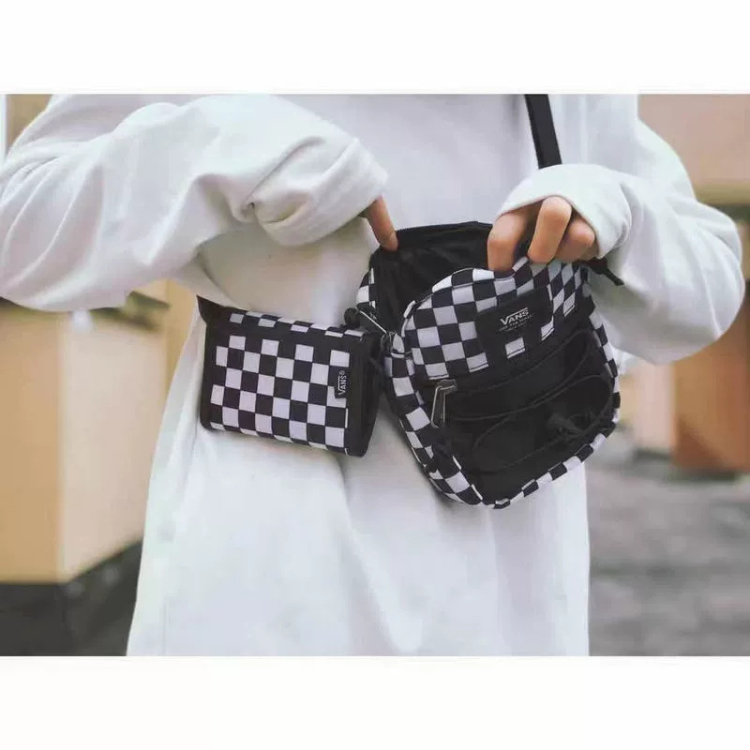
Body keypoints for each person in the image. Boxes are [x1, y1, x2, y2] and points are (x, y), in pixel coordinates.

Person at [0, 95, 743, 655]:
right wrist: (221, 151)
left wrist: (617, 215)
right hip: (268, 584)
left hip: (514, 587)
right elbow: (20, 228)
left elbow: (710, 280)